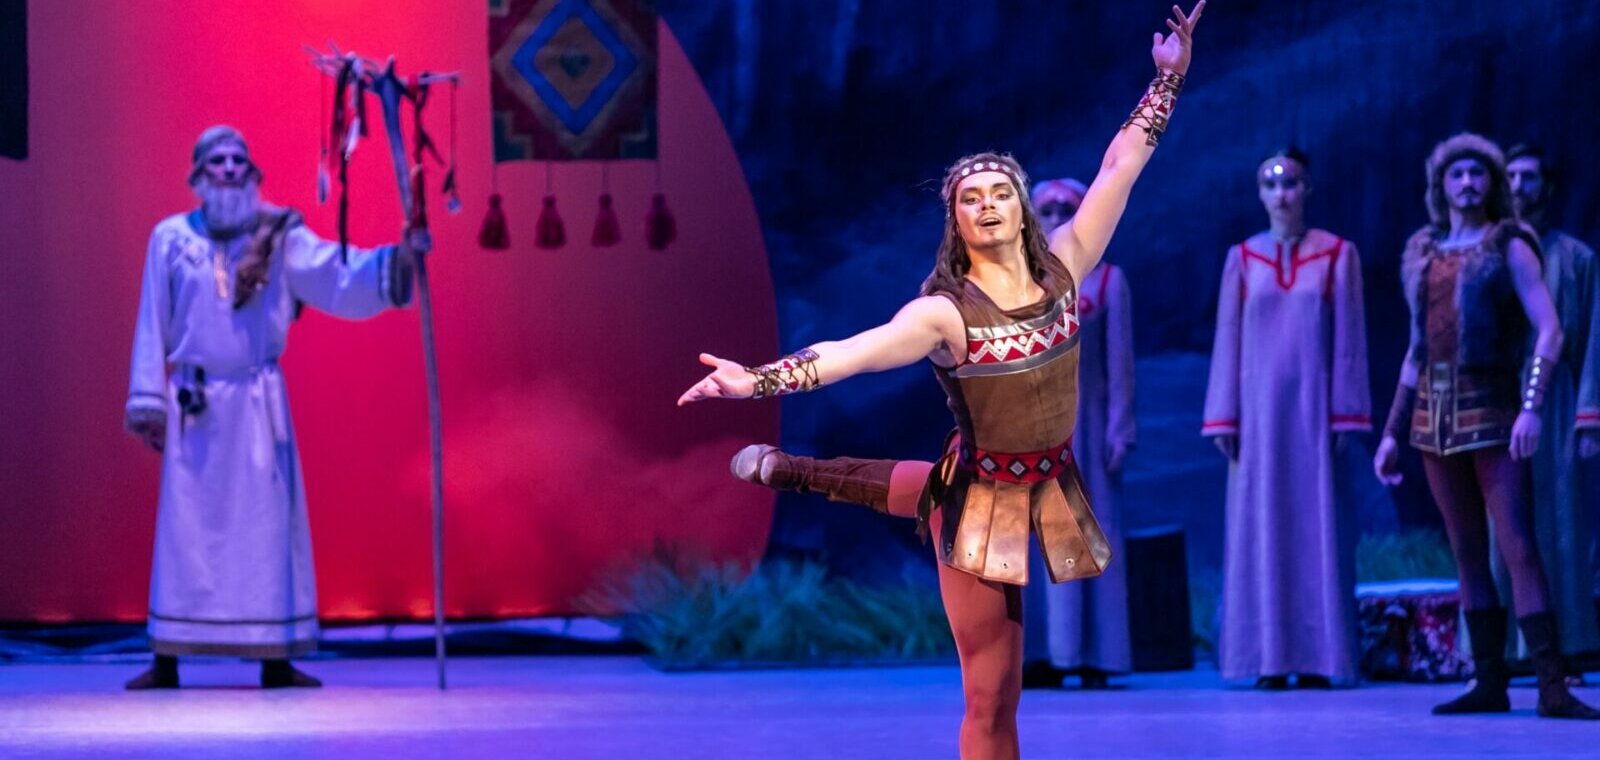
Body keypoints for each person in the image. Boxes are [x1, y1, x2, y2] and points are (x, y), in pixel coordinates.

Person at [679, 5, 1204, 755]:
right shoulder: (944, 313)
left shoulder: (1068, 264)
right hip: (978, 501)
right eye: (970, 198)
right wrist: (755, 382)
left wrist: (1167, 80)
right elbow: (853, 352)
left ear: (1023, 209)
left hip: (1045, 479)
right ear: (955, 221)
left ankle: (785, 469)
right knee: (991, 699)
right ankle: (789, 469)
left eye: (1000, 193)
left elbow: (1121, 165)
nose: (987, 205)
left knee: (937, 533)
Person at [123, 125, 426, 689]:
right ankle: (167, 658)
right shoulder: (170, 239)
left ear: (253, 173)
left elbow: (336, 275)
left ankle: (275, 658)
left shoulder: (280, 235)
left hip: (256, 407)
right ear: (198, 176)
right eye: (217, 161)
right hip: (196, 408)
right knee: (187, 533)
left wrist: (398, 262)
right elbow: (152, 320)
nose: (229, 168)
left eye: (238, 160)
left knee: (264, 529)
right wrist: (148, 401)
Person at [1373, 133, 1598, 719]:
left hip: (1492, 409)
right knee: (1466, 550)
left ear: (1491, 182)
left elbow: (1549, 330)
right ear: (1440, 185)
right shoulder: (1423, 253)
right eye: (1457, 173)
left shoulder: (1509, 243)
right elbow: (1416, 350)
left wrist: (1532, 405)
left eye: (1477, 172)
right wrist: (1393, 432)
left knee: (1518, 544)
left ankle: (1551, 685)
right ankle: (1489, 681)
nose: (1468, 182)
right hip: (1434, 418)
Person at [1202, 148, 1369, 689]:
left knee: (1318, 526)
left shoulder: (1337, 255)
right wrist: (1224, 416)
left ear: (1307, 189)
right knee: (1260, 526)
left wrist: (1346, 413)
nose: (1281, 193)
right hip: (1258, 420)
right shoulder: (1244, 259)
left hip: (1313, 416)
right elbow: (1228, 338)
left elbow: (1349, 341)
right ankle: (1266, 657)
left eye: (1291, 183)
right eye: (1271, 184)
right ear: (1259, 194)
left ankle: (1320, 656)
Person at [1022, 177, 1137, 690]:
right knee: (1031, 536)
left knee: (1091, 530)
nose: (1055, 218)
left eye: (1065, 209)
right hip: (1028, 430)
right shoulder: (1012, 280)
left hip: (1086, 431)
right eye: (1045, 210)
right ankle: (1039, 654)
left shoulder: (1107, 280)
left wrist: (1120, 427)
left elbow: (1121, 365)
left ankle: (1096, 653)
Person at [1499, 144, 1600, 663]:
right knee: (1503, 525)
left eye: (1529, 177)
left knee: (1561, 522)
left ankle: (1566, 647)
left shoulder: (1576, 258)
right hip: (1498, 398)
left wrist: (1588, 416)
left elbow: (1593, 341)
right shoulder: (1488, 252)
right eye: (1511, 177)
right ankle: (1503, 650)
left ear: (1549, 186)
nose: (1519, 187)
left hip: (1557, 402)